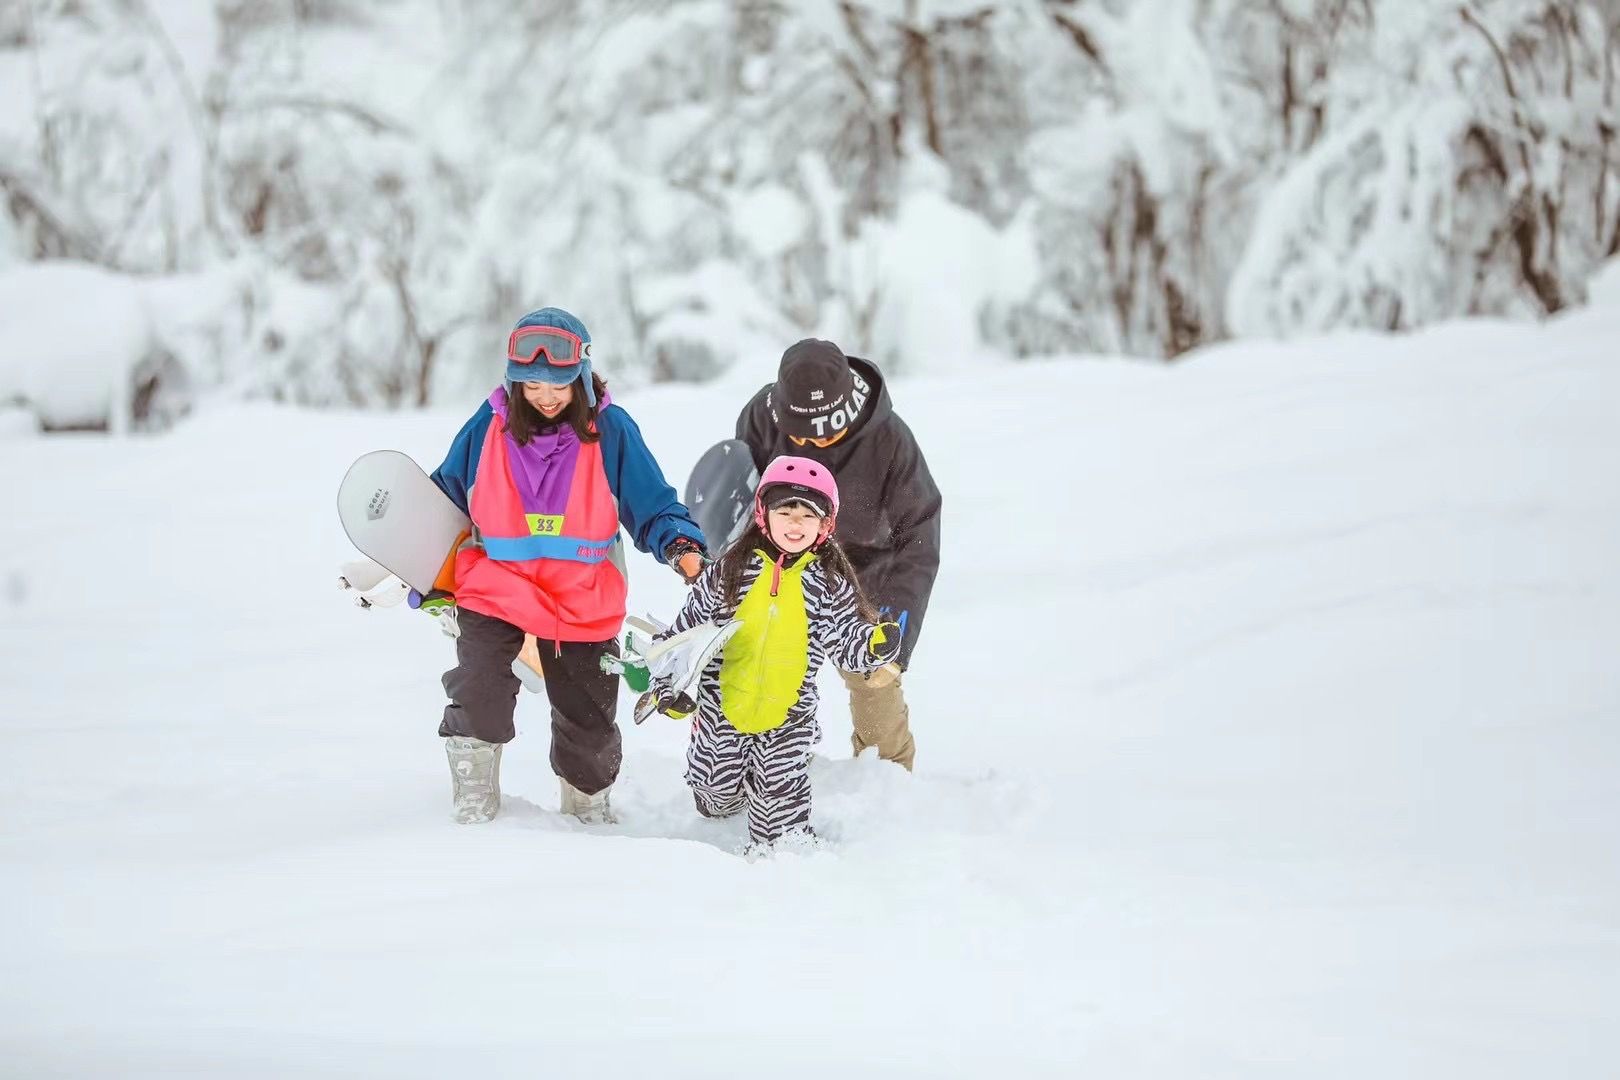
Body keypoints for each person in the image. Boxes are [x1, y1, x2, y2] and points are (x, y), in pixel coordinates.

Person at [429, 307, 705, 825]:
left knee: (590, 724)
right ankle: (473, 801)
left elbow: (653, 503)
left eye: (557, 384)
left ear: (581, 375)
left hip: (582, 596)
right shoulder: (486, 429)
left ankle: (586, 809)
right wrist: (416, 565)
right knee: (479, 688)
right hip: (497, 586)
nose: (546, 397)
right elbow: (443, 497)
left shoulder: (612, 430)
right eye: (531, 386)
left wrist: (681, 547)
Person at [645, 456, 901, 851]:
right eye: (786, 511)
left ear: (825, 524)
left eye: (808, 515)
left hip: (788, 714)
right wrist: (668, 686)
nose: (796, 523)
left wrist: (871, 646)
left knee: (779, 806)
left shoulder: (828, 583)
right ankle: (727, 789)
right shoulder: (729, 571)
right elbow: (686, 632)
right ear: (764, 514)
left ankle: (784, 852)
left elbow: (843, 638)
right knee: (715, 796)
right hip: (723, 707)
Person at [735, 339, 940, 771]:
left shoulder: (889, 440)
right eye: (802, 435)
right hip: (781, 571)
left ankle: (888, 785)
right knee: (751, 679)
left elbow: (919, 534)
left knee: (876, 685)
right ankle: (748, 776)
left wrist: (895, 637)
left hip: (866, 575)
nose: (813, 442)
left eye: (825, 433)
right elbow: (739, 504)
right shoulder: (761, 417)